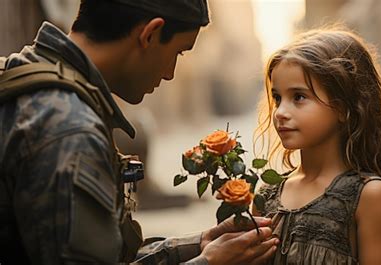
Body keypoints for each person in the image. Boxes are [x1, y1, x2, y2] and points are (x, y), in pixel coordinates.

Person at [0, 0, 278, 264]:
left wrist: (198, 245)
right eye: (178, 52)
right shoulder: (70, 130)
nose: (170, 73)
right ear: (150, 34)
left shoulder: (28, 74)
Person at [253, 28, 381, 264]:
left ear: (343, 107)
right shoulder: (266, 195)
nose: (280, 112)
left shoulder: (367, 195)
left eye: (299, 97)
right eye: (278, 98)